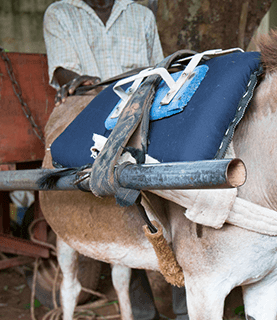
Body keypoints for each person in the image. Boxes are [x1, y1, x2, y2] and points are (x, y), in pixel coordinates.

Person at [43, 1, 188, 319]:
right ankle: (141, 312)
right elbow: (60, 70)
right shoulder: (62, 12)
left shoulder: (141, 15)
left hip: (142, 109)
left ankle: (185, 310)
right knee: (120, 205)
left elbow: (160, 70)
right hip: (88, 108)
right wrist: (83, 82)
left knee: (176, 193)